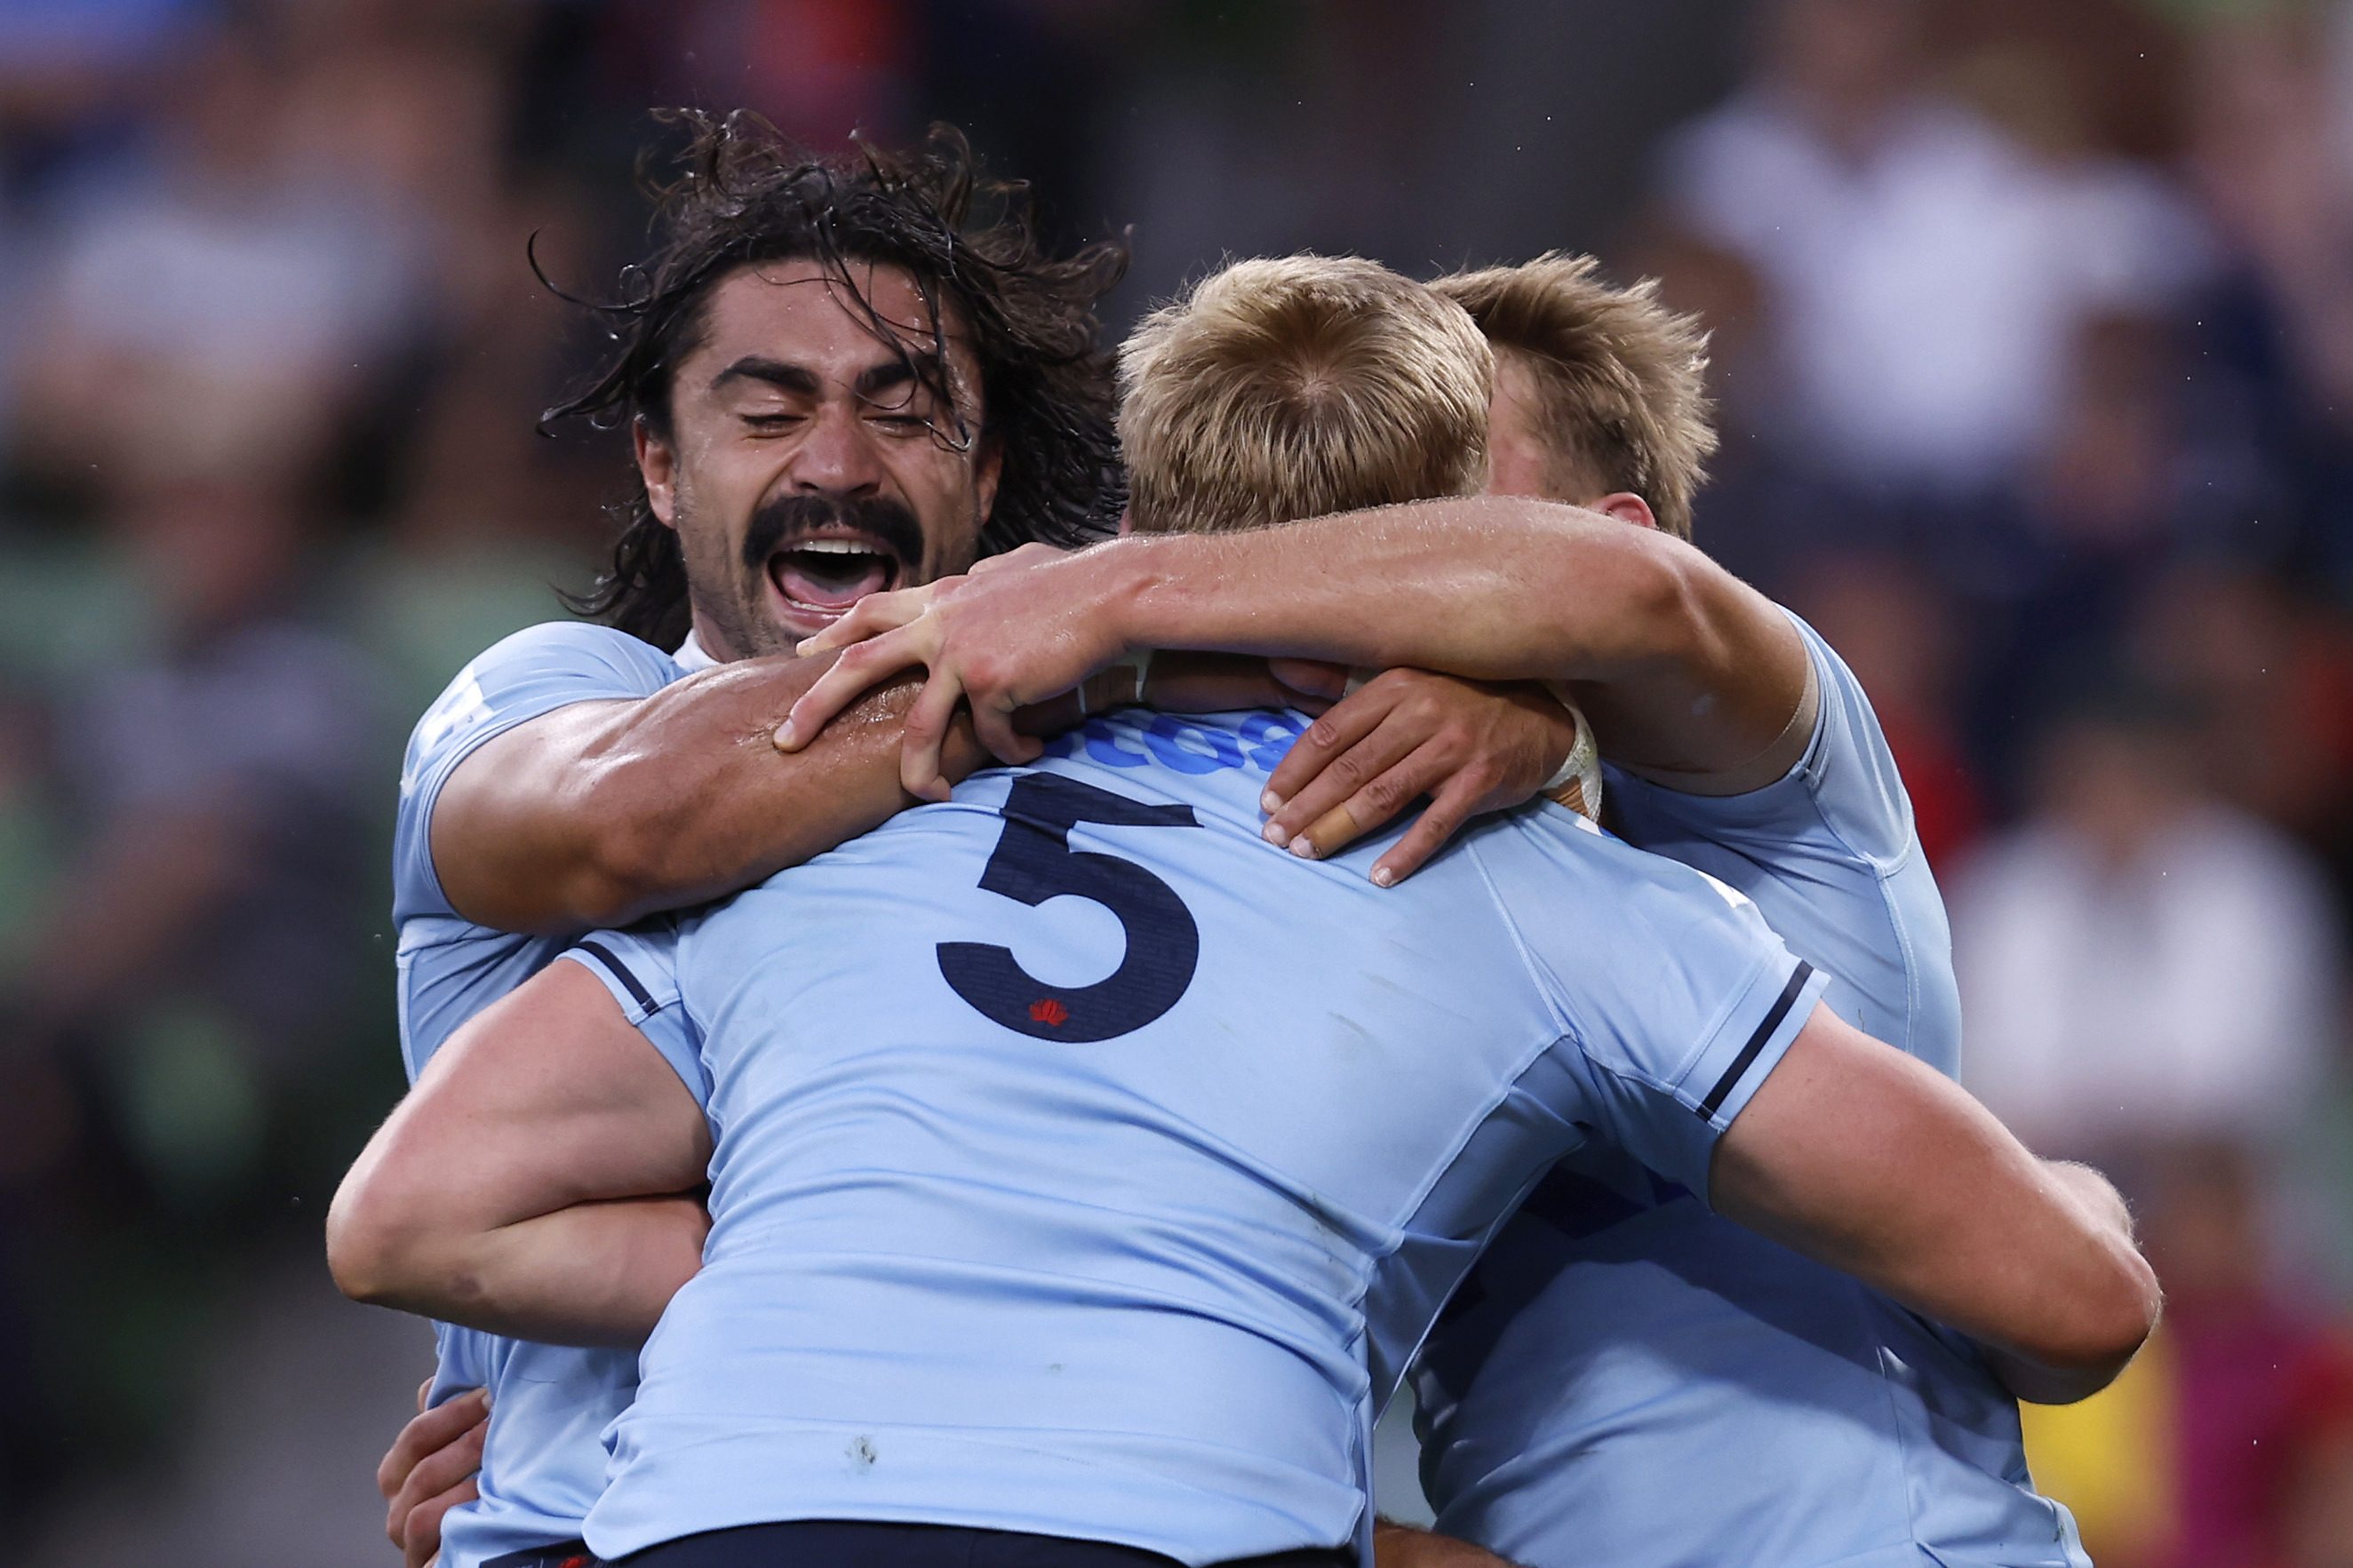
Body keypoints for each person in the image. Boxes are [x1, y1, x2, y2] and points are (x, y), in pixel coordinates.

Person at [331, 255, 2158, 1568]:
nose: (1377, 590)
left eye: (1448, 557)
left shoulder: (1763, 806)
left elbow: (2072, 1296)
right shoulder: (1499, 887)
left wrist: (1124, 593)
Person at [373, 116, 1573, 1568]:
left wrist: (1540, 723)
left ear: (986, 471)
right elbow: (628, 827)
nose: (836, 461)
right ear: (661, 465)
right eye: (768, 413)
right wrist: (1125, 639)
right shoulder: (555, 696)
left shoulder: (1103, 791)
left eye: (903, 413)